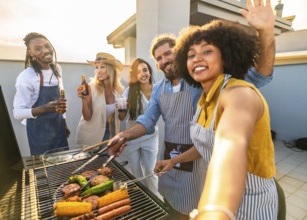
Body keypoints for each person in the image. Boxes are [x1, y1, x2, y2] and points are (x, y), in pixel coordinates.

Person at [108, 0, 275, 218]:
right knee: (172, 204)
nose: (164, 61)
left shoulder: (231, 91)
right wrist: (125, 135)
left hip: (236, 195)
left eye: (168, 54)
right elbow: (149, 120)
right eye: (159, 58)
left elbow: (229, 146)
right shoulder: (190, 91)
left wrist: (266, 34)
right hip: (174, 156)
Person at [155, 17, 279, 220]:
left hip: (252, 205)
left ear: (226, 56)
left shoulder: (238, 94)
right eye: (191, 55)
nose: (197, 59)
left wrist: (215, 211)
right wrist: (173, 161)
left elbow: (230, 145)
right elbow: (207, 145)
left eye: (207, 51)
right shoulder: (204, 99)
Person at [13, 32, 69, 156]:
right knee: (44, 170)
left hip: (59, 128)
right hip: (39, 133)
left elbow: (61, 98)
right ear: (31, 53)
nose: (45, 50)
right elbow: (17, 113)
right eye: (38, 49)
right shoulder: (26, 76)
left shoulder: (57, 69)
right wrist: (44, 108)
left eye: (47, 46)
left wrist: (64, 124)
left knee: (64, 167)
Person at [117, 58, 159, 195]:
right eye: (138, 72)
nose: (143, 74)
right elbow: (121, 118)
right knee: (136, 172)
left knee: (150, 172)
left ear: (150, 71)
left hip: (150, 137)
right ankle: (142, 199)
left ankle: (156, 201)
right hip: (132, 138)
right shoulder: (129, 91)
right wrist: (122, 111)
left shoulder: (157, 89)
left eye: (145, 70)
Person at [76, 52, 124, 149]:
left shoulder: (119, 91)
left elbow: (121, 117)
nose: (98, 71)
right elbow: (87, 117)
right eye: (96, 67)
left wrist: (123, 108)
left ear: (111, 69)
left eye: (102, 67)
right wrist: (84, 100)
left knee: (106, 163)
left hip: (110, 135)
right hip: (91, 136)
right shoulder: (90, 88)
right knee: (92, 164)